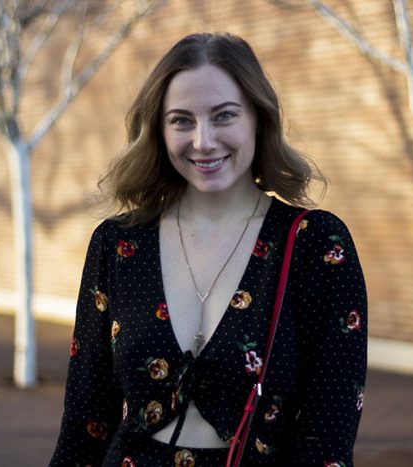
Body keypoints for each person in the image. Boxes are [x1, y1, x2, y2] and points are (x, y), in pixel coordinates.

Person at [49, 32, 367, 466]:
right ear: (158, 131)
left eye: (224, 116)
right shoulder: (119, 244)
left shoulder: (315, 244)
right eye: (181, 120)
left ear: (259, 118)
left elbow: (327, 440)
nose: (202, 141)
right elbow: (85, 423)